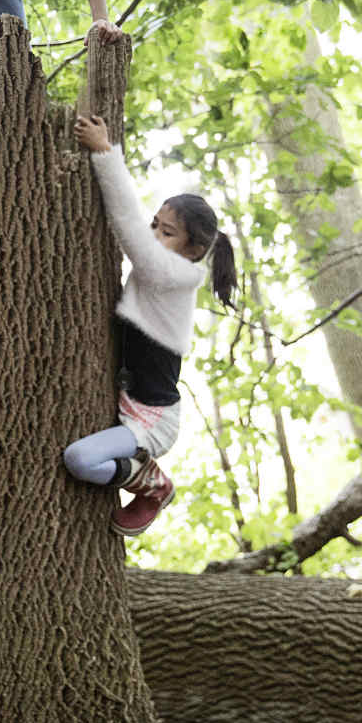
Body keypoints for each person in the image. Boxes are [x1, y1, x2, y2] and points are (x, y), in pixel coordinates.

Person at [62, 113, 236, 538]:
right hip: (130, 401)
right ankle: (142, 475)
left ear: (192, 250)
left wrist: (105, 152)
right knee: (82, 458)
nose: (155, 234)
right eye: (155, 225)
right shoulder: (168, 269)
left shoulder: (172, 275)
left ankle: (154, 485)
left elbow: (128, 224)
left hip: (151, 420)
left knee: (80, 459)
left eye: (167, 232)